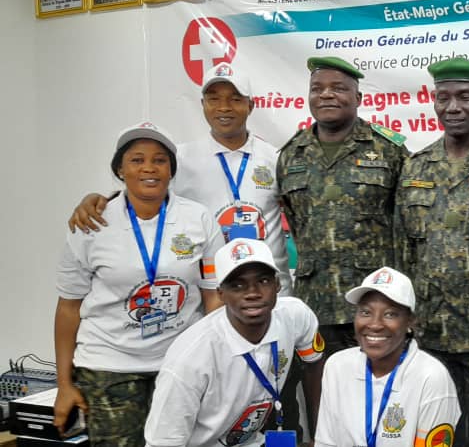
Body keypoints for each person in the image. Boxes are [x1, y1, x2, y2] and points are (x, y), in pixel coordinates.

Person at [66, 62, 305, 435]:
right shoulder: (183, 157)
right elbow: (142, 193)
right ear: (203, 105)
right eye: (214, 98)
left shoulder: (276, 159)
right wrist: (96, 199)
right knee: (207, 426)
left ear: (251, 105)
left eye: (235, 99)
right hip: (215, 310)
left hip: (269, 308)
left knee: (271, 414)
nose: (224, 107)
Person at [54, 122, 223, 445]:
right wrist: (65, 383)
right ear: (120, 169)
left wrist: (217, 361)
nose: (149, 168)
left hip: (180, 363)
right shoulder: (90, 223)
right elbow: (68, 307)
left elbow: (213, 298)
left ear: (171, 170)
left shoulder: (198, 219)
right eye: (137, 159)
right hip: (109, 368)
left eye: (160, 160)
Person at [395, 57, 469, 445]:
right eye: (443, 97)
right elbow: (403, 251)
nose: (453, 107)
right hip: (429, 335)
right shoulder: (414, 168)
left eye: (465, 96)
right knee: (432, 435)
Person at [277, 56, 408, 356]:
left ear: (357, 97)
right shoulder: (291, 155)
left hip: (376, 304)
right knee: (322, 396)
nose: (326, 94)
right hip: (315, 305)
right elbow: (297, 224)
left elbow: (406, 225)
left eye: (338, 88)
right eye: (317, 88)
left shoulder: (389, 150)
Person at [144, 238, 324, 447]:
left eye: (263, 281)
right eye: (237, 285)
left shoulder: (295, 315)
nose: (252, 293)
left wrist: (321, 437)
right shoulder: (191, 358)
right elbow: (164, 442)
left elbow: (315, 364)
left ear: (277, 284)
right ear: (221, 294)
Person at [314, 267, 461, 447]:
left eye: (390, 314)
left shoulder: (431, 377)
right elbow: (325, 442)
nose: (375, 324)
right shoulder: (337, 366)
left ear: (410, 321)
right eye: (365, 312)